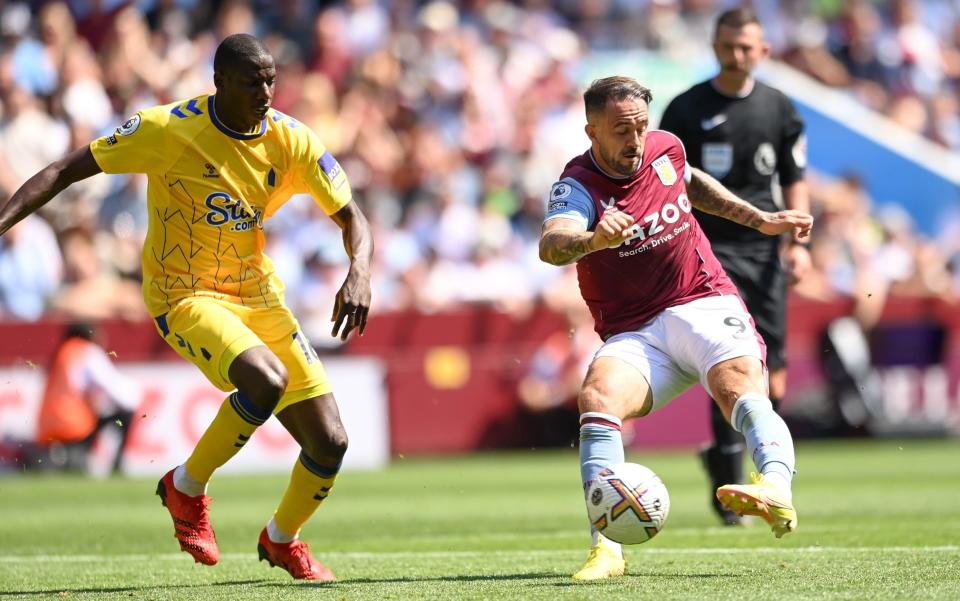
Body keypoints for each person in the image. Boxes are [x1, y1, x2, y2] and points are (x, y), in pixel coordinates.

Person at [0, 33, 373, 581]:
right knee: (264, 381)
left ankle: (280, 539)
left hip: (258, 294)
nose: (266, 93)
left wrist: (359, 269)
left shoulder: (291, 140)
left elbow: (352, 216)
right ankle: (186, 486)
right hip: (184, 296)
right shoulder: (168, 129)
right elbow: (63, 170)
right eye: (251, 82)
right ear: (219, 81)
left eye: (270, 80)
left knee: (331, 441)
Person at [539, 75, 812, 581]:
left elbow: (688, 180)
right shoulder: (576, 185)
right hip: (637, 332)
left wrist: (758, 219)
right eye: (621, 130)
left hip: (703, 300)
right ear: (591, 130)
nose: (635, 140)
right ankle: (607, 550)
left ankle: (775, 487)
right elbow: (553, 244)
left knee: (740, 387)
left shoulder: (666, 147)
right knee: (597, 400)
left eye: (641, 126)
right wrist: (591, 241)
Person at [658, 8, 811, 525]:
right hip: (707, 252)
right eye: (728, 46)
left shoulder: (780, 109)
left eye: (746, 47)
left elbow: (794, 175)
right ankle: (729, 481)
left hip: (766, 253)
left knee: (777, 378)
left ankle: (763, 473)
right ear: (714, 47)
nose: (736, 55)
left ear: (763, 51)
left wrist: (797, 241)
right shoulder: (686, 108)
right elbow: (666, 181)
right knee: (728, 365)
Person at [36, 321, 141, 474]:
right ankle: (117, 467)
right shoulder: (87, 351)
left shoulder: (60, 353)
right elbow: (114, 388)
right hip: (74, 426)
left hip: (47, 429)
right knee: (126, 414)